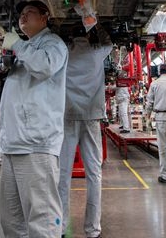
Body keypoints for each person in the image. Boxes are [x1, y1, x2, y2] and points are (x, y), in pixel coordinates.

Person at [0, 0, 68, 238]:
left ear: (44, 17)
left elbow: (45, 66)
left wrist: (17, 44)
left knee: (42, 219)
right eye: (21, 14)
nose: (23, 17)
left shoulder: (52, 44)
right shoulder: (25, 49)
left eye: (30, 12)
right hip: (12, 143)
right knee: (12, 221)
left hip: (36, 144)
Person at [58, 25, 112, 238]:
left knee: (62, 174)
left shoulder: (64, 52)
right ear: (88, 36)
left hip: (68, 116)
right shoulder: (97, 52)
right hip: (91, 117)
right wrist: (94, 23)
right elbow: (108, 42)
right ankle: (92, 230)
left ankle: (61, 227)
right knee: (94, 174)